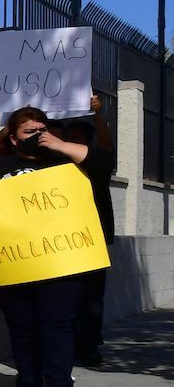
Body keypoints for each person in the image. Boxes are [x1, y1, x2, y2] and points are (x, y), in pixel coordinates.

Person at [0, 107, 105, 387]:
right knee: (22, 330)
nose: (36, 136)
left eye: (40, 130)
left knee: (58, 328)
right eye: (28, 132)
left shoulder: (66, 162)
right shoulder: (1, 166)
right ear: (13, 138)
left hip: (62, 264)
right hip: (15, 265)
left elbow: (104, 163)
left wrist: (59, 144)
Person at [61, 114, 116, 367]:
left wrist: (98, 116)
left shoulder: (98, 165)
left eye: (78, 140)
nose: (72, 143)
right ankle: (70, 345)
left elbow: (106, 144)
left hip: (92, 241)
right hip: (59, 243)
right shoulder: (55, 165)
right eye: (68, 139)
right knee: (66, 299)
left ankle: (90, 348)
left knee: (92, 299)